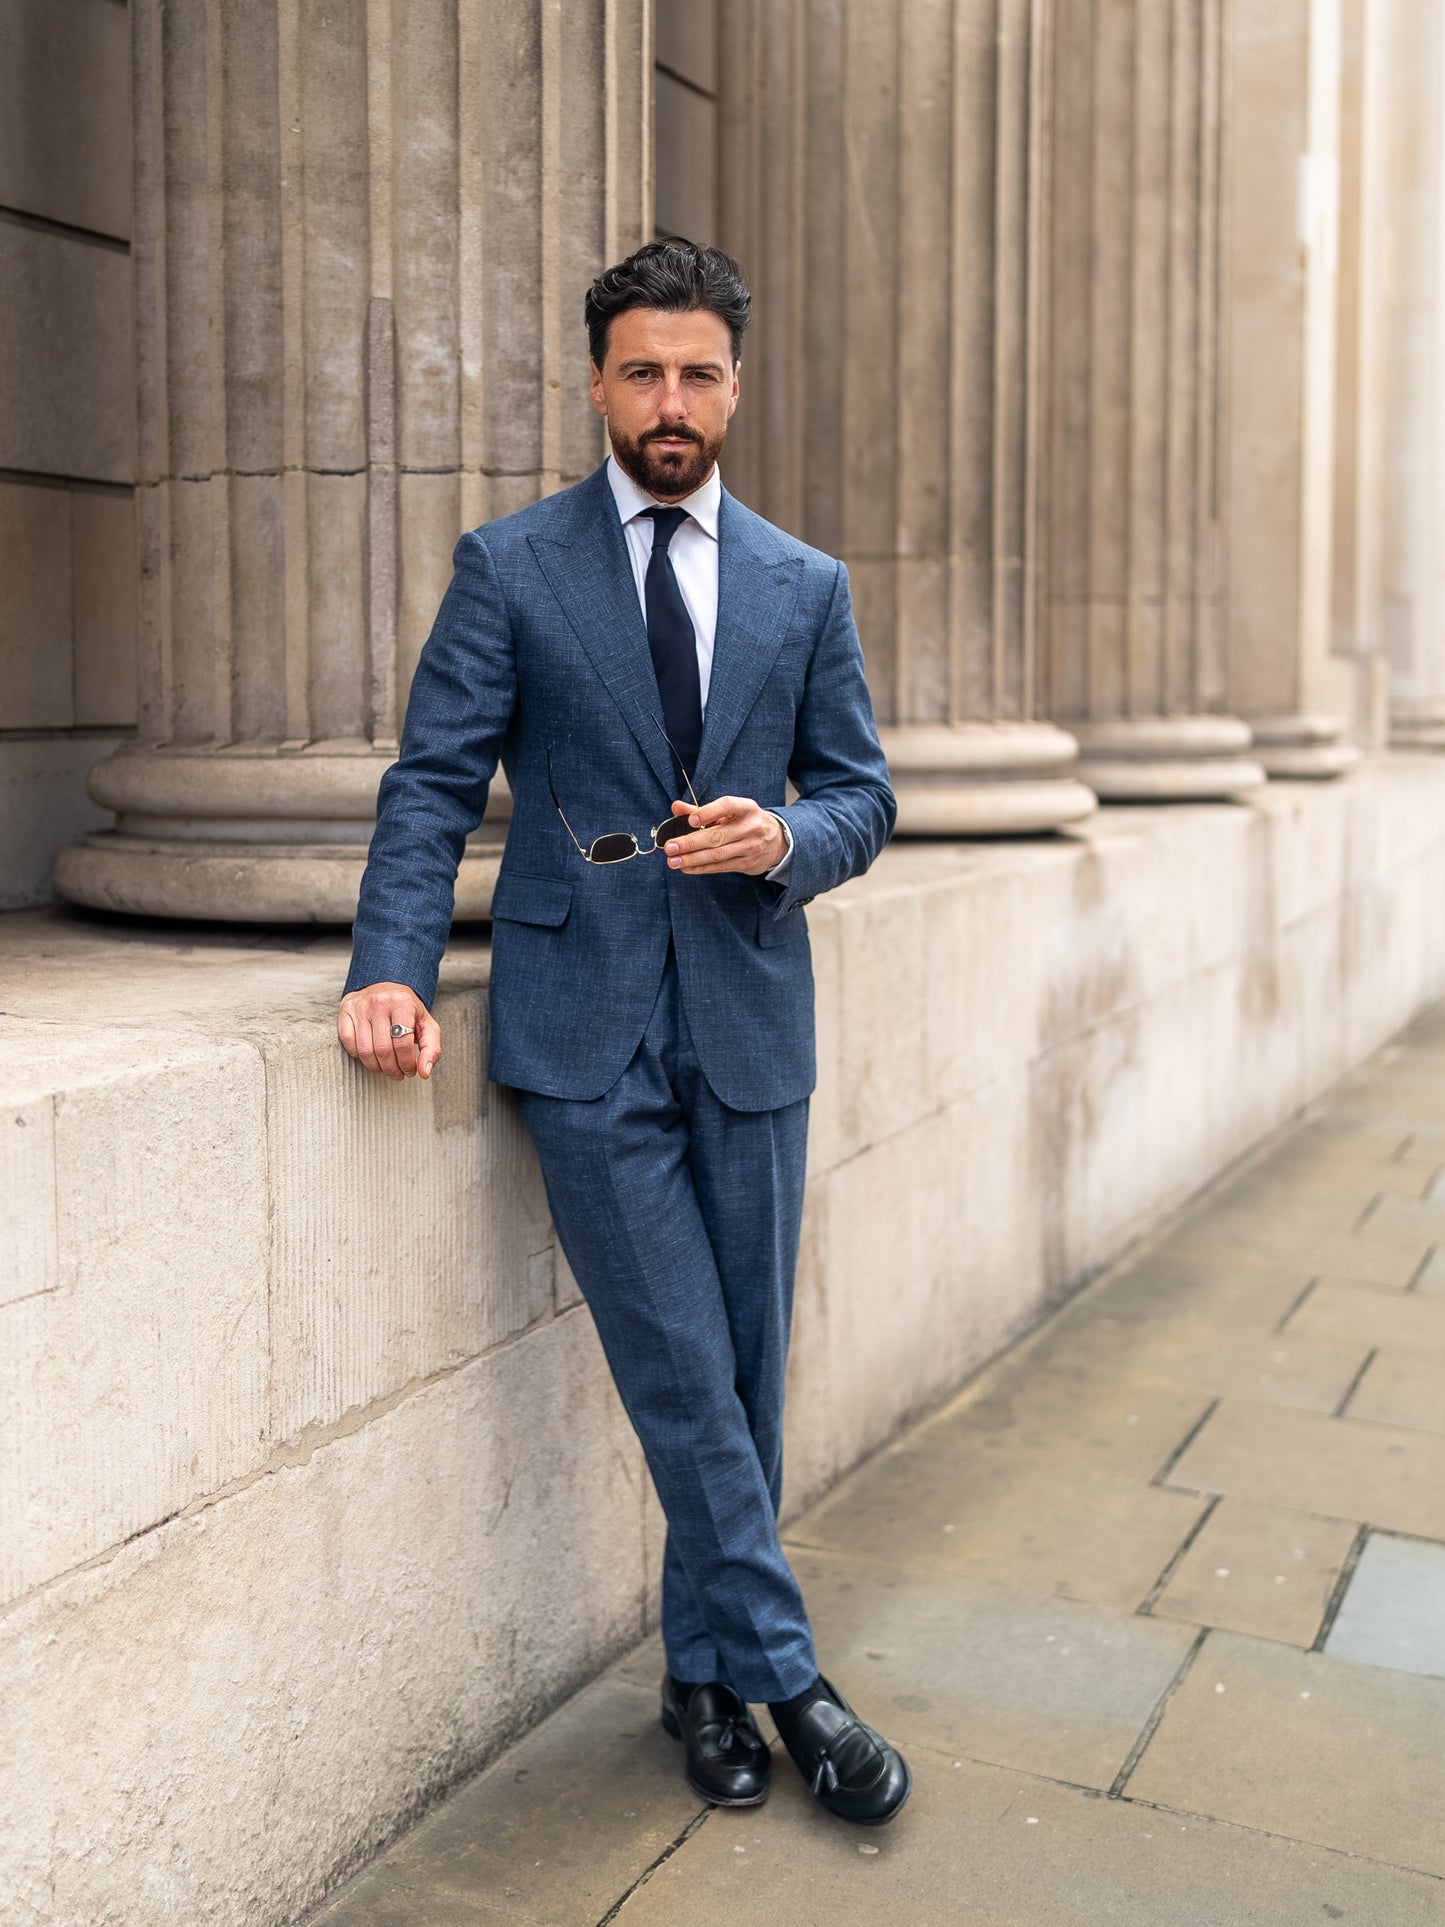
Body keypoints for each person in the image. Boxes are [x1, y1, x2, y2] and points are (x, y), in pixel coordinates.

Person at [338, 238, 910, 1826]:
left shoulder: (804, 585)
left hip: (748, 1023)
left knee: (743, 1375)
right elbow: (432, 786)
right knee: (679, 1366)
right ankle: (793, 1685)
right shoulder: (511, 567)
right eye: (642, 371)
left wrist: (785, 838)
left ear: (735, 387)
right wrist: (388, 965)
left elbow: (862, 795)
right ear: (596, 382)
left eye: (697, 374)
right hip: (580, 1028)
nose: (671, 401)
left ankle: (699, 1682)